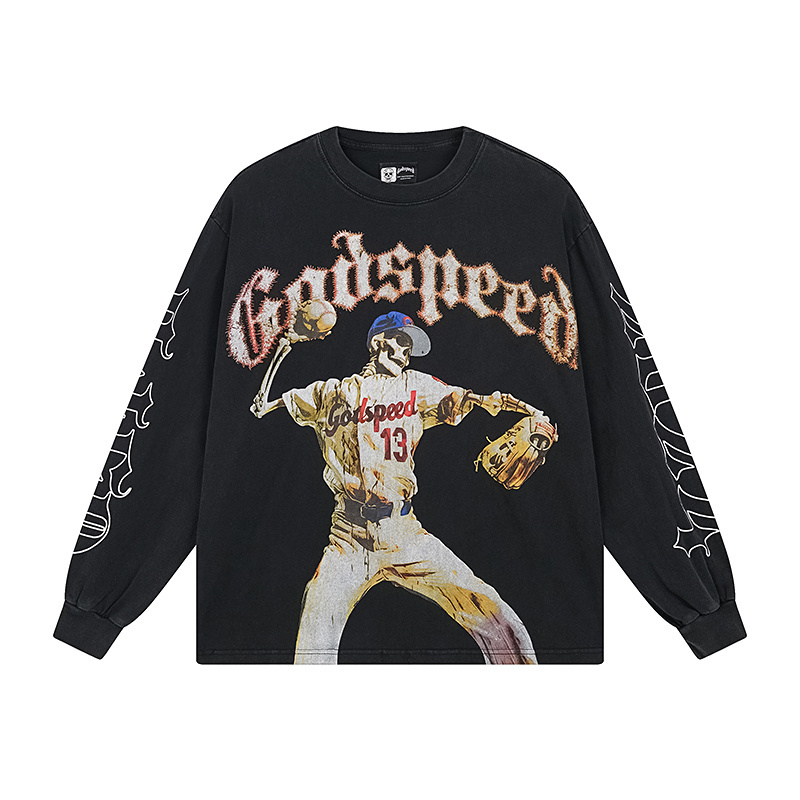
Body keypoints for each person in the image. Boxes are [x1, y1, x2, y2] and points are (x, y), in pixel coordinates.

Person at [252, 311, 550, 664]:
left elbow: (477, 399)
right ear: (378, 342)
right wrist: (286, 344)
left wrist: (528, 411)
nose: (405, 352)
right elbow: (262, 407)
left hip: (403, 532)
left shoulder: (415, 386)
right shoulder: (329, 392)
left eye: (409, 347)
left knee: (486, 605)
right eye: (401, 341)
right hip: (347, 539)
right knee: (315, 628)